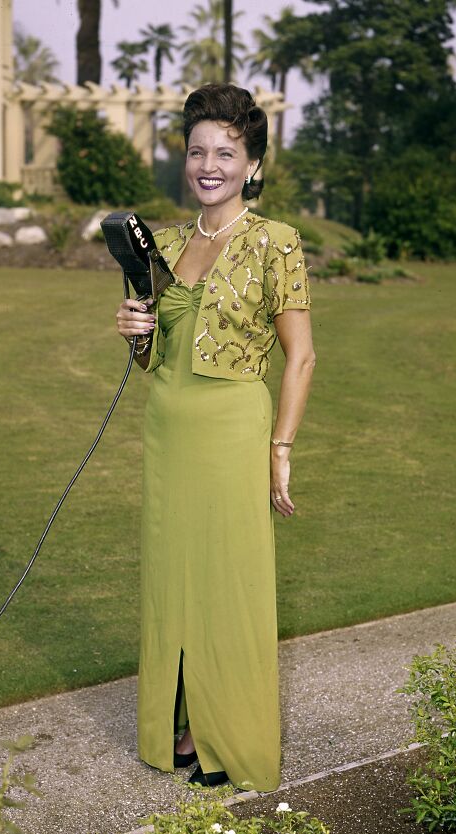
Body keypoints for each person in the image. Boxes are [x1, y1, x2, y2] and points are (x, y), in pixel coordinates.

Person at [115, 83, 316, 792]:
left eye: (225, 153)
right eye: (198, 150)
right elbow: (152, 363)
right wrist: (135, 334)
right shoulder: (165, 243)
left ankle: (218, 728)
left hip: (233, 429)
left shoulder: (276, 243)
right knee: (174, 575)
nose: (208, 164)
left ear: (252, 163)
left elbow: (303, 356)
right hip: (168, 426)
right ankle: (174, 715)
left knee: (226, 578)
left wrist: (280, 448)